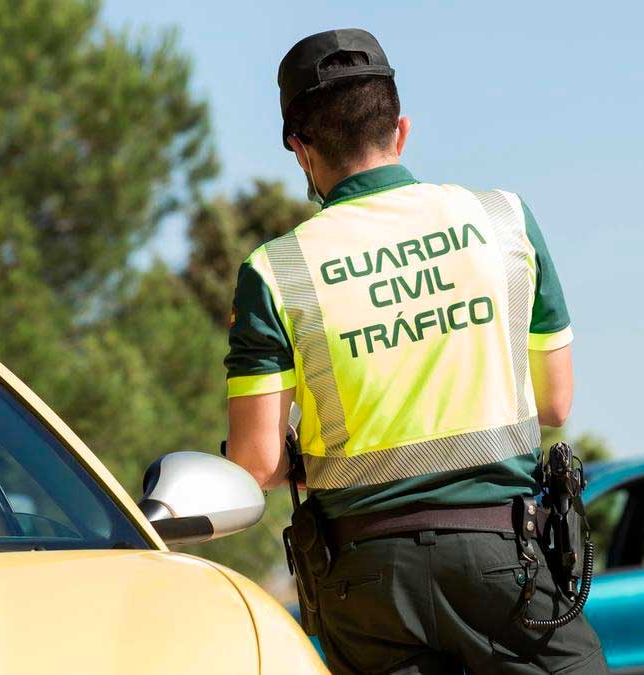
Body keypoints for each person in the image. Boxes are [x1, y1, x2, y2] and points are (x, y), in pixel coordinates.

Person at [224, 28, 605, 674]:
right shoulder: (505, 220)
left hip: (365, 582)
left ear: (300, 149)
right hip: (503, 559)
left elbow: (256, 460)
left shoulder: (275, 270)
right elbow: (555, 403)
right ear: (400, 131)